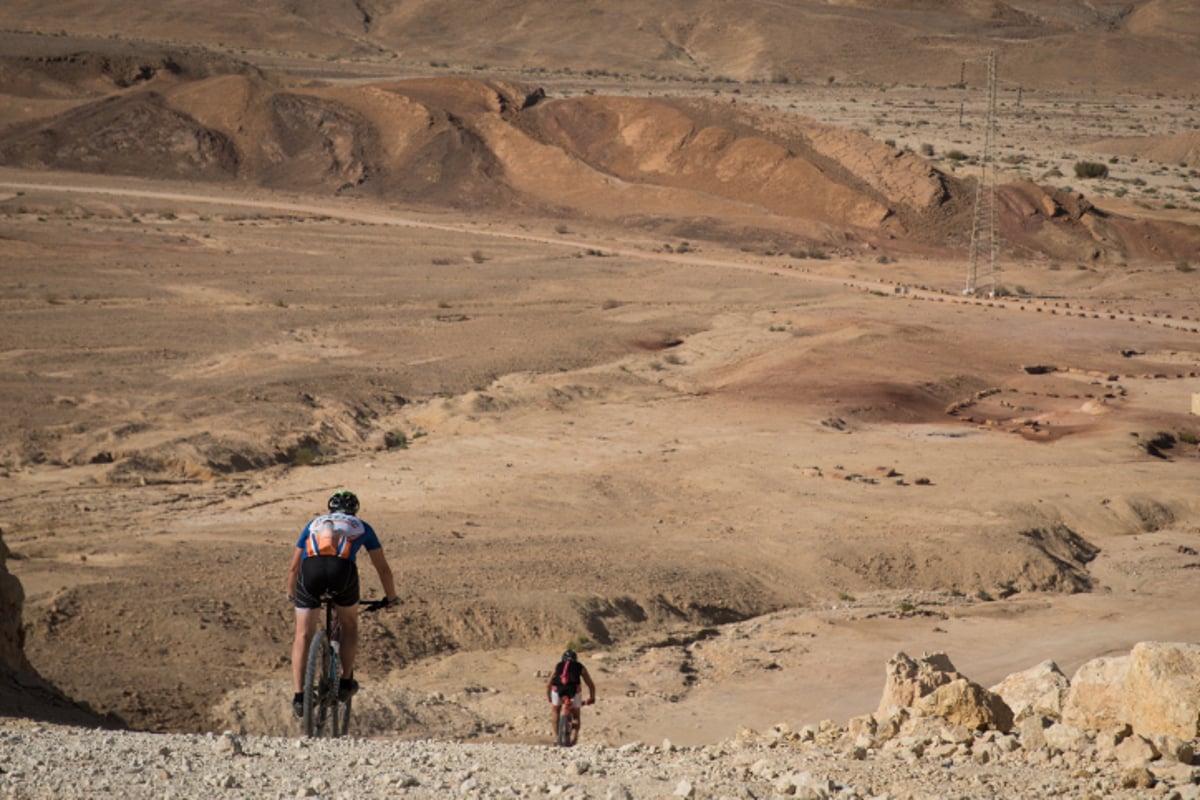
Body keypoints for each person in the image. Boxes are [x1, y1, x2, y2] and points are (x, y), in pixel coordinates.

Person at [286, 489, 399, 718]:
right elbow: (383, 568)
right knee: (349, 625)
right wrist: (391, 598)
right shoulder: (362, 526)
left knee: (302, 635)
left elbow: (293, 568)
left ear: (329, 510)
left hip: (310, 574)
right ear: (354, 510)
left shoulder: (313, 524)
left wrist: (291, 594)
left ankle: (299, 696)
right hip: (342, 572)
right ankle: (346, 681)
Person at [545, 649, 596, 744]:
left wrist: (549, 697)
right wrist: (592, 697)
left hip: (557, 689)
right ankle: (574, 738)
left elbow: (548, 683)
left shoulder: (558, 666)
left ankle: (556, 737)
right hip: (574, 689)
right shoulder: (580, 667)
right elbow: (590, 684)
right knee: (576, 714)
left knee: (555, 710)